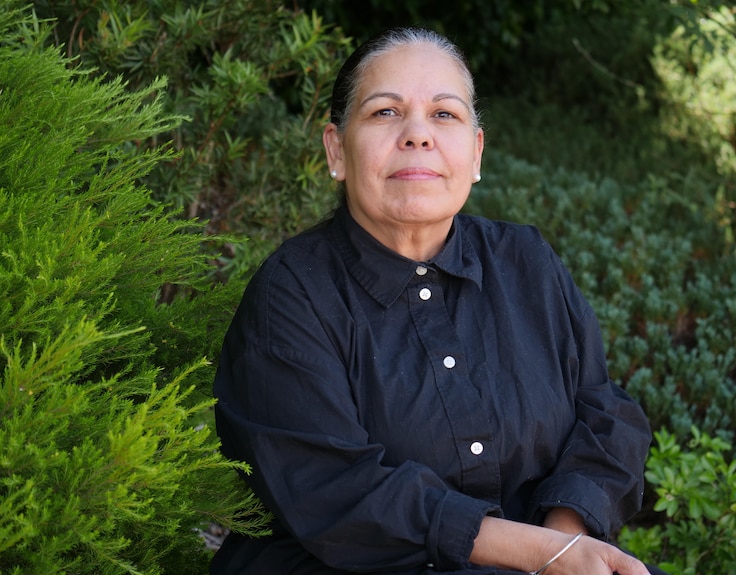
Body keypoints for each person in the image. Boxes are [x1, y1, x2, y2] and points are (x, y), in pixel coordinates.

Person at [212, 27, 662, 575]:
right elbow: (334, 493)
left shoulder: (525, 260)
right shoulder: (292, 293)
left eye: (444, 114)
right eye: (384, 112)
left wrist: (564, 543)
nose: (417, 135)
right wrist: (539, 555)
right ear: (336, 150)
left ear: (475, 152)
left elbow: (606, 412)